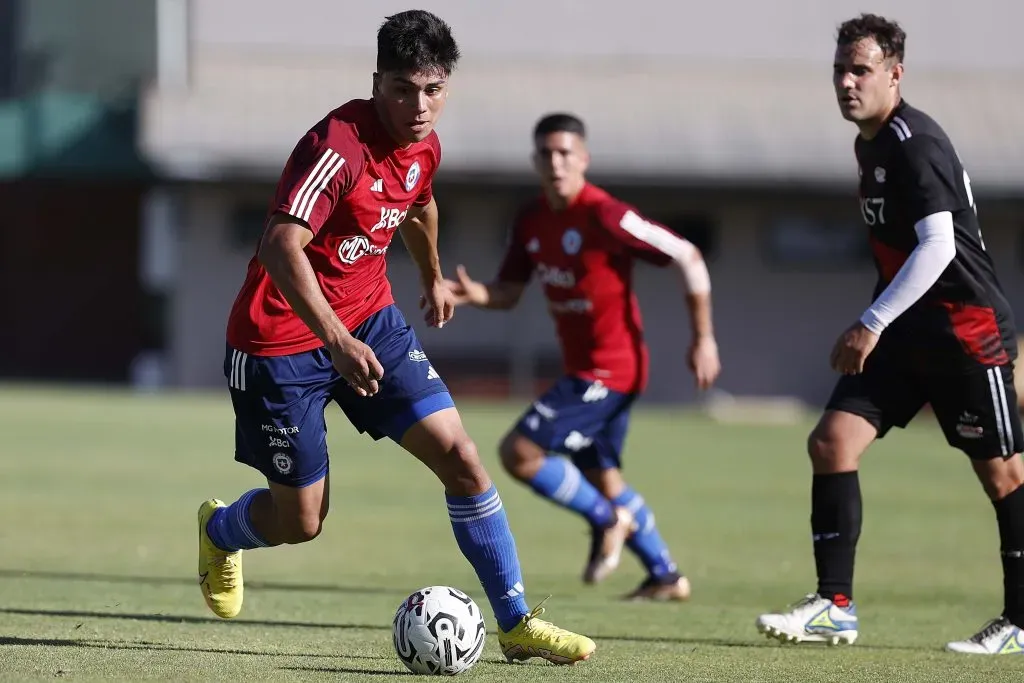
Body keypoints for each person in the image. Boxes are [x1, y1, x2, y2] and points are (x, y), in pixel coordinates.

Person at [197, 10, 595, 665]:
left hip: (371, 321)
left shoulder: (424, 146)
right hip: (279, 343)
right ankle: (220, 529)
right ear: (377, 81)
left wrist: (434, 276)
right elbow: (278, 245)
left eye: (433, 90)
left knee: (462, 457)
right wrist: (334, 339)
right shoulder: (338, 145)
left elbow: (420, 203)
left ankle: (517, 621)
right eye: (404, 89)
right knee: (301, 521)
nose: (419, 106)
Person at [755, 13, 1024, 654]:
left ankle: (1020, 621)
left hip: (964, 331)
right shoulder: (868, 144)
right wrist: (883, 320)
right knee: (832, 443)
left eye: (861, 71)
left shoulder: (914, 144)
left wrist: (870, 321)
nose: (847, 83)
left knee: (1005, 476)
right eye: (839, 72)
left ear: (895, 74)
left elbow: (936, 248)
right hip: (908, 334)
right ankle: (834, 606)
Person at [442, 113, 721, 601]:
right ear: (535, 160)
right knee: (603, 476)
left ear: (584, 159)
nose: (556, 162)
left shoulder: (606, 215)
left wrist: (703, 338)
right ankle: (665, 575)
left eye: (566, 153)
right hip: (587, 370)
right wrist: (474, 294)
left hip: (613, 369)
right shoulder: (531, 221)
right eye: (547, 153)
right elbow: (509, 291)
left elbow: (688, 255)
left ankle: (608, 520)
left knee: (519, 453)